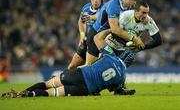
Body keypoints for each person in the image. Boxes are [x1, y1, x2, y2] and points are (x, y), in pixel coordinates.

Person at [1, 31, 135, 98]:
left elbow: (97, 38)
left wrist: (112, 29)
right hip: (85, 90)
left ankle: (20, 93)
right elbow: (114, 90)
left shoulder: (110, 55)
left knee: (48, 83)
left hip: (80, 75)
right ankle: (28, 95)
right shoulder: (122, 78)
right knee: (51, 93)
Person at [85, 0, 143, 66]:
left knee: (105, 66)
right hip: (96, 35)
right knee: (90, 68)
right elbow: (115, 30)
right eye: (134, 0)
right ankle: (68, 76)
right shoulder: (114, 6)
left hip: (108, 37)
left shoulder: (129, 7)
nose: (135, 3)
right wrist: (133, 38)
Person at [67, 0, 104, 70]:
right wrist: (82, 34)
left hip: (99, 42)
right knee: (72, 65)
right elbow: (81, 21)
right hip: (88, 40)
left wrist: (91, 17)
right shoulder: (86, 8)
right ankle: (62, 79)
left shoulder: (105, 8)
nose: (96, 0)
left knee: (88, 67)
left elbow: (99, 16)